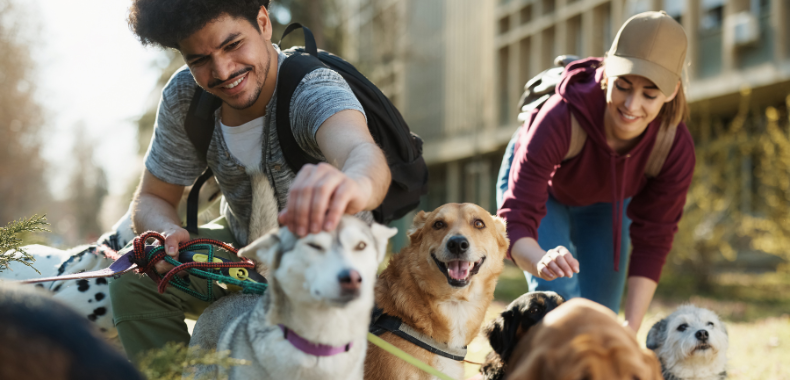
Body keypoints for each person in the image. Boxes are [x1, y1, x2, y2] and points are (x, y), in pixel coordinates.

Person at [110, 0, 391, 361]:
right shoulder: (185, 97)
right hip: (239, 255)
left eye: (232, 45)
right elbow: (151, 198)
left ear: (263, 22)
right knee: (135, 276)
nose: (223, 71)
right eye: (199, 60)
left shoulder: (313, 89)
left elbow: (362, 154)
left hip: (326, 270)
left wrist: (354, 186)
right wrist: (165, 232)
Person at [497, 11, 695, 333]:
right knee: (559, 302)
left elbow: (654, 238)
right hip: (545, 193)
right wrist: (540, 260)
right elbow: (516, 219)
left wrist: (629, 329)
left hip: (606, 201)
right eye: (623, 86)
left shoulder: (673, 146)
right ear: (606, 72)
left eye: (649, 94)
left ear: (672, 91)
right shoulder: (560, 117)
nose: (631, 105)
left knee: (601, 322)